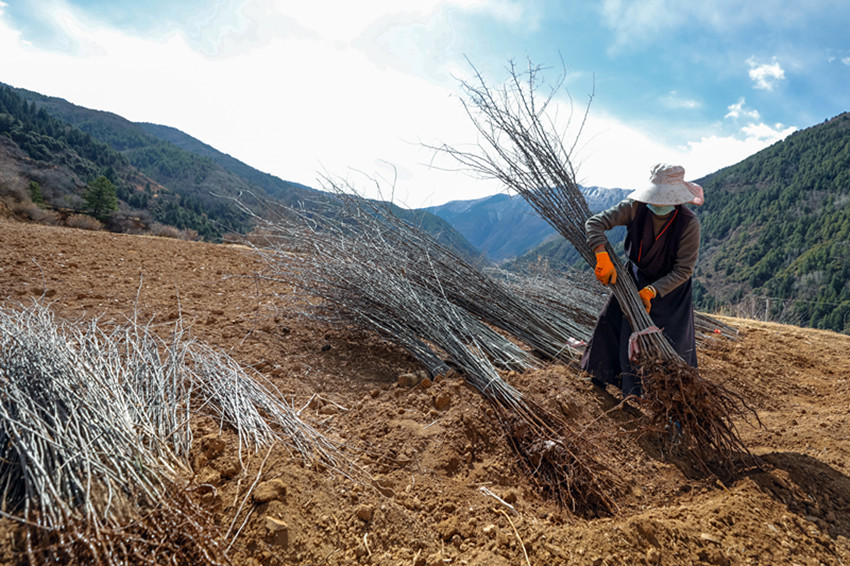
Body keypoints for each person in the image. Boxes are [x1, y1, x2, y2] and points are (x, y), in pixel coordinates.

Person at [580, 163, 704, 398]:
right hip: (634, 279)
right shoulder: (635, 208)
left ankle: (667, 398)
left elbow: (683, 269)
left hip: (670, 290)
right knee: (612, 322)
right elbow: (594, 223)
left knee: (670, 344)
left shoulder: (688, 223)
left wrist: (651, 291)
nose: (659, 203)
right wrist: (601, 254)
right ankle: (600, 375)